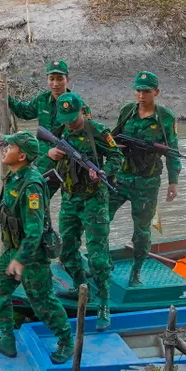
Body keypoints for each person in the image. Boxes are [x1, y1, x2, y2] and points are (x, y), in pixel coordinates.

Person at [0, 131, 74, 364]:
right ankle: (7, 339)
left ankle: (67, 342)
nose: (4, 149)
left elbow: (35, 230)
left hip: (30, 255)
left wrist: (20, 259)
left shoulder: (32, 184)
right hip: (13, 250)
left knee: (43, 302)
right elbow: (8, 202)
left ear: (21, 155)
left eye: (9, 147)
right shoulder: (14, 177)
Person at [49, 92, 123, 331]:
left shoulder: (97, 131)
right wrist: (50, 154)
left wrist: (103, 171)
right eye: (66, 118)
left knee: (97, 256)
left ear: (82, 111)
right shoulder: (60, 131)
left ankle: (103, 302)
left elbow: (117, 156)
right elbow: (44, 155)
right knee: (67, 249)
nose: (70, 122)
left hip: (94, 200)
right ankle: (81, 286)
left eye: (73, 117)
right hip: (69, 198)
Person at [108, 72, 181, 287]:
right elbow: (112, 139)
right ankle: (103, 262)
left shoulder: (164, 117)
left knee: (141, 231)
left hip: (147, 183)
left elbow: (172, 150)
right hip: (120, 178)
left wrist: (173, 181)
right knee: (100, 218)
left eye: (146, 91)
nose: (141, 95)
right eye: (138, 90)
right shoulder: (127, 111)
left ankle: (136, 272)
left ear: (156, 92)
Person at [0, 60, 84, 201]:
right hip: (44, 161)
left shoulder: (77, 104)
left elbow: (84, 134)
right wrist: (5, 95)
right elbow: (24, 112)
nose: (55, 84)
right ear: (47, 79)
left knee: (71, 203)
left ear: (67, 79)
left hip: (68, 163)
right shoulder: (42, 100)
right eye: (51, 79)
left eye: (60, 79)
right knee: (36, 200)